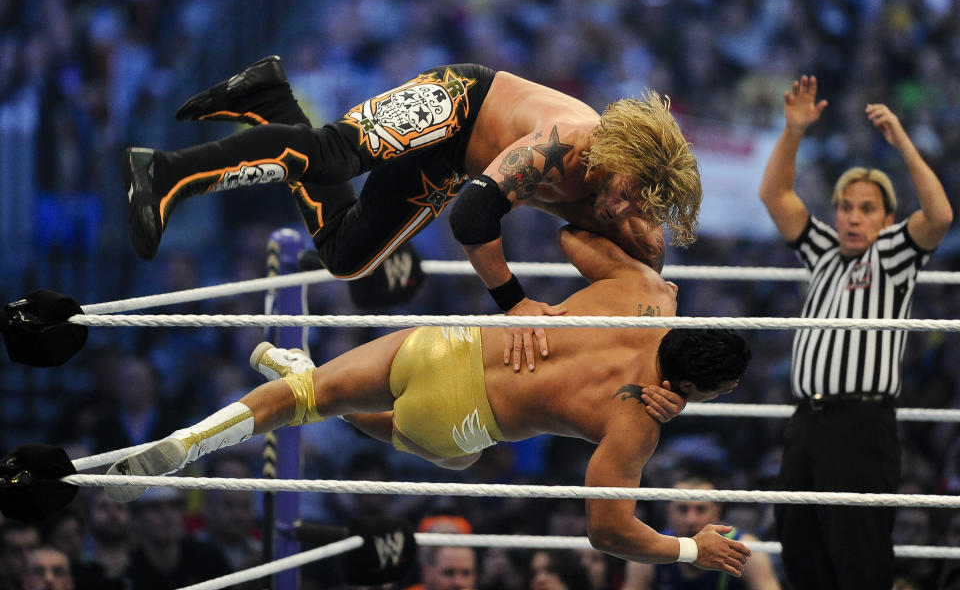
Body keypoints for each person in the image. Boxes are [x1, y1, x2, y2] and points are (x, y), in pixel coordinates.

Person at [106, 225, 751, 575]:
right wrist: (692, 548)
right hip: (462, 424)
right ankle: (299, 374)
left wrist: (638, 242)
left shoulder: (651, 291)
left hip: (451, 344)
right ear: (688, 387)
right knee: (435, 447)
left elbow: (571, 240)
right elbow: (606, 531)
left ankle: (191, 440)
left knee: (307, 396)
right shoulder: (636, 422)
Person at [123, 57, 702, 371]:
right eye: (623, 189)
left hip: (455, 163)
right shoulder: (565, 143)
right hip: (458, 102)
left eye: (637, 203)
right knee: (336, 153)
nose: (619, 206)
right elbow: (473, 217)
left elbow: (635, 286)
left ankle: (266, 98)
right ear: (614, 153)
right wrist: (516, 304)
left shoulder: (636, 220)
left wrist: (663, 376)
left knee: (347, 256)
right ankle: (167, 174)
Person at [757, 75, 953, 590]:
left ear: (887, 219)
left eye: (866, 209)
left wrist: (903, 143)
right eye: (846, 206)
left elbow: (939, 215)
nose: (852, 217)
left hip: (861, 423)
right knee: (798, 544)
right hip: (807, 420)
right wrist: (793, 131)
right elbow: (774, 194)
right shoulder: (822, 249)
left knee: (859, 554)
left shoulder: (891, 255)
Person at [621, 473, 780, 589]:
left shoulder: (746, 549)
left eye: (701, 509)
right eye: (683, 509)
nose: (691, 520)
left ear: (717, 513)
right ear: (669, 513)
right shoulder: (647, 553)